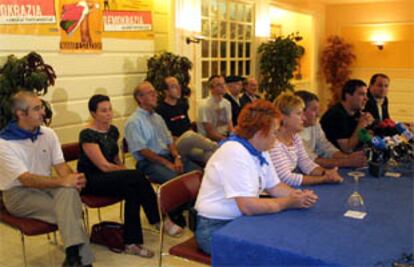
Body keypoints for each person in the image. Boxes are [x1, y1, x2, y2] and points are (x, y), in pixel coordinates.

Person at [194, 100, 319, 255]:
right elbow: (248, 206)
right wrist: (288, 202)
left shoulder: (260, 148)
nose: (276, 136)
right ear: (260, 133)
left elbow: (274, 186)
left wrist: (298, 196)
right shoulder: (234, 152)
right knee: (271, 252)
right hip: (215, 227)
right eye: (274, 132)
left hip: (238, 220)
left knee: (285, 238)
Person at [78, 95, 183, 258]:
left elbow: (115, 159)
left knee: (132, 190)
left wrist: (124, 170)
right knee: (137, 177)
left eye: (110, 109)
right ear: (93, 113)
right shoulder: (87, 134)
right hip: (92, 180)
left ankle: (131, 243)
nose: (108, 114)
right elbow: (103, 166)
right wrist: (126, 172)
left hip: (111, 177)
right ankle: (159, 220)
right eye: (103, 111)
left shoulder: (112, 130)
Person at [0, 91, 93, 267]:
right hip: (18, 194)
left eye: (41, 106)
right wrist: (64, 181)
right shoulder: (4, 143)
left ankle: (74, 258)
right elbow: (26, 180)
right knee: (70, 213)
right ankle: (82, 261)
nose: (43, 112)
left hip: (47, 186)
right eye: (36, 109)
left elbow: (60, 165)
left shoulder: (48, 134)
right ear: (21, 114)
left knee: (69, 192)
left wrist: (74, 179)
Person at [125, 81, 201, 184]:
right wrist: (166, 163)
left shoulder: (158, 118)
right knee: (178, 182)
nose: (155, 95)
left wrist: (176, 157)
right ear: (140, 98)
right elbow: (142, 151)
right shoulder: (134, 121)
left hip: (168, 156)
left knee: (198, 174)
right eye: (150, 93)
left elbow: (169, 140)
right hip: (150, 162)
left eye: (154, 92)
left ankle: (194, 199)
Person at [269, 93, 343, 187]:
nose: (304, 118)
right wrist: (323, 179)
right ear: (283, 117)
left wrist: (326, 173)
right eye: (299, 114)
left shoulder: (295, 137)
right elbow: (286, 178)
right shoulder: (273, 143)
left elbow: (306, 163)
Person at [295, 90, 367, 168]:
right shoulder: (292, 132)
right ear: (301, 111)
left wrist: (347, 157)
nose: (318, 114)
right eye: (314, 110)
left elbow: (326, 147)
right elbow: (311, 161)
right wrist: (347, 162)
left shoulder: (314, 124)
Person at [156, 76, 217, 164]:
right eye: (174, 87)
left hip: (190, 143)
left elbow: (189, 127)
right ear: (166, 91)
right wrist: (185, 137)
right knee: (189, 136)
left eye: (178, 86)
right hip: (175, 146)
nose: (178, 89)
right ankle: (218, 146)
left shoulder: (182, 105)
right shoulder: (160, 110)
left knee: (209, 155)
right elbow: (165, 136)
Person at [320, 79, 375, 153]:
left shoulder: (356, 112)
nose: (366, 98)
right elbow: (347, 149)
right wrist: (361, 124)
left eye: (366, 94)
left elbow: (370, 135)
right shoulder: (335, 116)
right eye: (361, 94)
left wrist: (368, 126)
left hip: (352, 156)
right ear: (348, 96)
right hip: (335, 159)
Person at [197, 75, 233, 141]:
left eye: (224, 83)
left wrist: (233, 138)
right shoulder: (205, 105)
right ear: (211, 89)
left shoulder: (227, 103)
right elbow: (210, 133)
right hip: (208, 140)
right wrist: (227, 141)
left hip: (224, 137)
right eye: (219, 85)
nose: (223, 86)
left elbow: (230, 124)